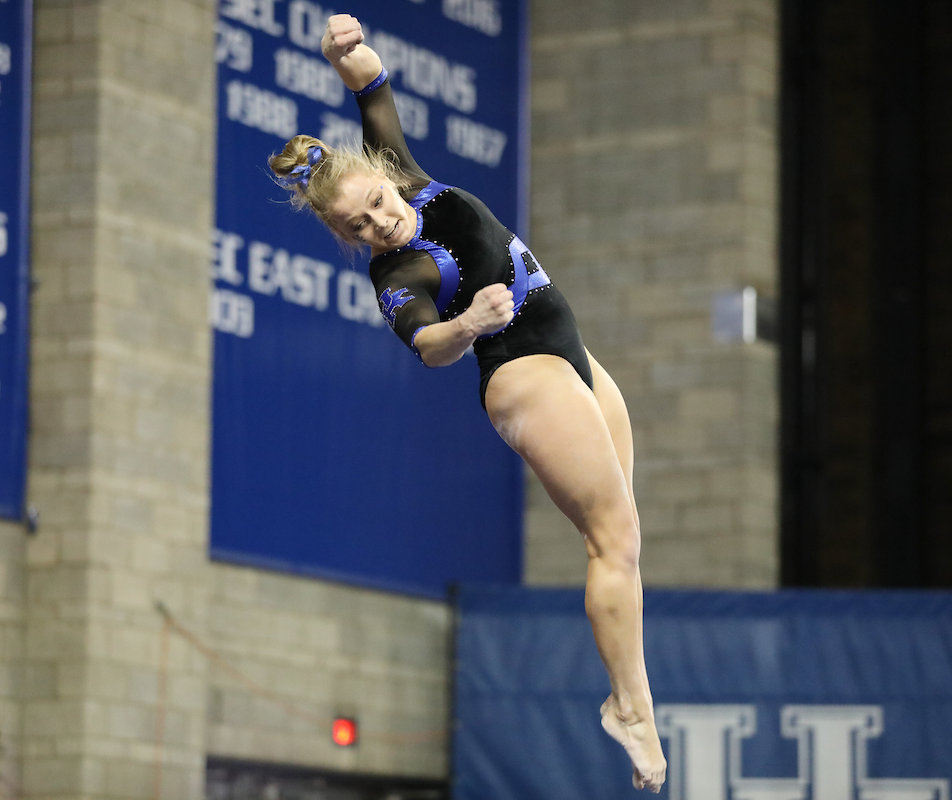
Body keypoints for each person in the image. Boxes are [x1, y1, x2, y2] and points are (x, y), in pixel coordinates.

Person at [270, 14, 667, 792]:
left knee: (627, 537)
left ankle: (631, 697)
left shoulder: (408, 178)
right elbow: (428, 347)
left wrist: (347, 54)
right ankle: (631, 706)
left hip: (571, 351)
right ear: (346, 236)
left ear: (386, 178)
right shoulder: (396, 277)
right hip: (519, 371)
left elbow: (373, 90)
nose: (381, 222)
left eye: (378, 202)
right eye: (360, 226)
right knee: (611, 542)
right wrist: (467, 322)